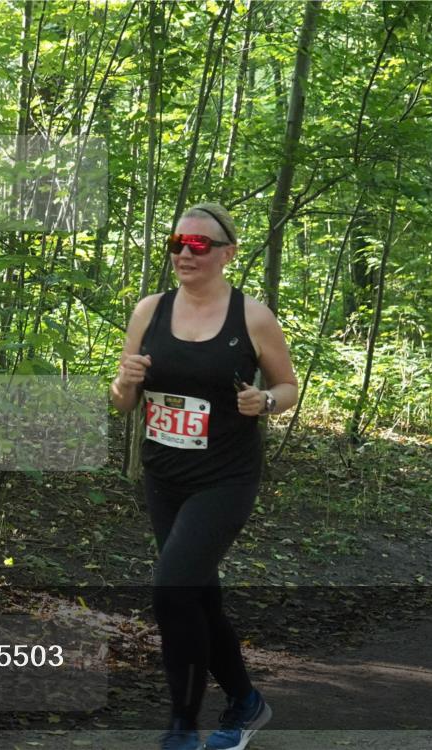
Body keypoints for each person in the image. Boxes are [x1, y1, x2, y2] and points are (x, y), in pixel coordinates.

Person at [110, 203, 298, 750]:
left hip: (225, 478)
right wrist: (124, 381)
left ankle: (182, 726)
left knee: (172, 592)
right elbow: (123, 401)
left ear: (226, 254)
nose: (186, 253)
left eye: (199, 245)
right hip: (163, 474)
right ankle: (246, 702)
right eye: (178, 243)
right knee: (198, 595)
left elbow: (288, 387)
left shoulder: (252, 316)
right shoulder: (150, 310)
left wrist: (263, 400)